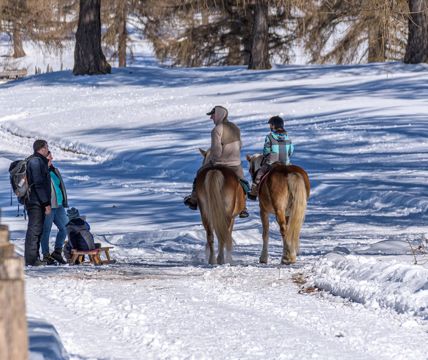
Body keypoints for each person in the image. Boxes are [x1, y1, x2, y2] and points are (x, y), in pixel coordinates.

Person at [184, 105, 249, 218]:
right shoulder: (235, 128)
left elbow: (216, 150)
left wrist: (213, 161)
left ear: (218, 115)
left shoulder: (216, 129)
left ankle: (194, 199)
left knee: (199, 173)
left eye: (212, 115)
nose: (211, 118)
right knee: (243, 182)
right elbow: (240, 145)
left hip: (220, 163)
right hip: (235, 164)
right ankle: (243, 207)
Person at [248, 116, 294, 200]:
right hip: (286, 163)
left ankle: (253, 192)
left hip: (271, 163)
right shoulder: (288, 138)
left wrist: (267, 155)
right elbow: (290, 152)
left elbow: (266, 151)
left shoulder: (269, 137)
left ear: (274, 126)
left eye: (271, 125)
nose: (270, 127)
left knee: (259, 174)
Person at [24, 139, 52, 266]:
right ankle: (31, 260)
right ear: (41, 148)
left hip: (36, 201)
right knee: (34, 230)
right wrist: (46, 203)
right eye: (46, 147)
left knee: (37, 230)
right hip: (35, 202)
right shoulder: (35, 161)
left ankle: (34, 257)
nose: (48, 149)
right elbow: (38, 184)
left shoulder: (39, 161)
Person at [40, 151, 68, 265]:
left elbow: (59, 186)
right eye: (49, 156)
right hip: (49, 206)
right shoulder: (41, 171)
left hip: (59, 205)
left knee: (65, 228)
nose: (52, 157)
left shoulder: (54, 170)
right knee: (46, 230)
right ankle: (46, 255)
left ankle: (57, 252)